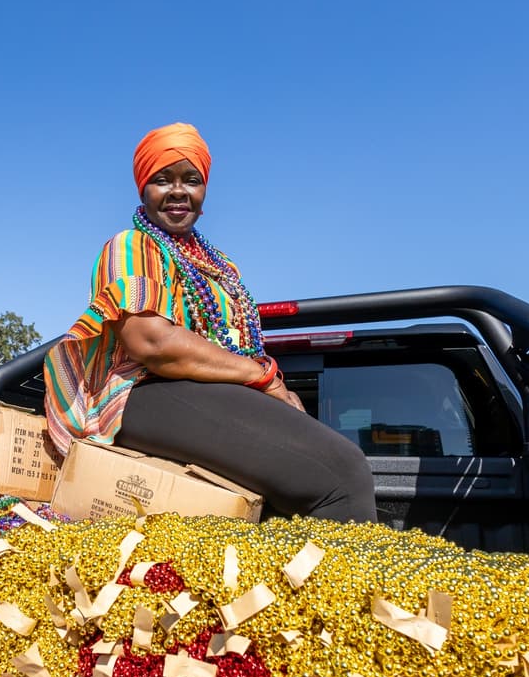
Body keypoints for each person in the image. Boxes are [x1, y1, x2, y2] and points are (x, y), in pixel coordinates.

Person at [43, 123, 377, 522]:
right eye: (162, 179)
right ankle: (351, 583)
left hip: (210, 389)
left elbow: (235, 342)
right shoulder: (133, 246)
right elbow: (152, 344)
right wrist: (264, 378)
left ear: (204, 191)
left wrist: (275, 389)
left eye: (192, 180)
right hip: (144, 390)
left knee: (294, 481)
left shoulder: (222, 266)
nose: (178, 191)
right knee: (342, 472)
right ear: (143, 189)